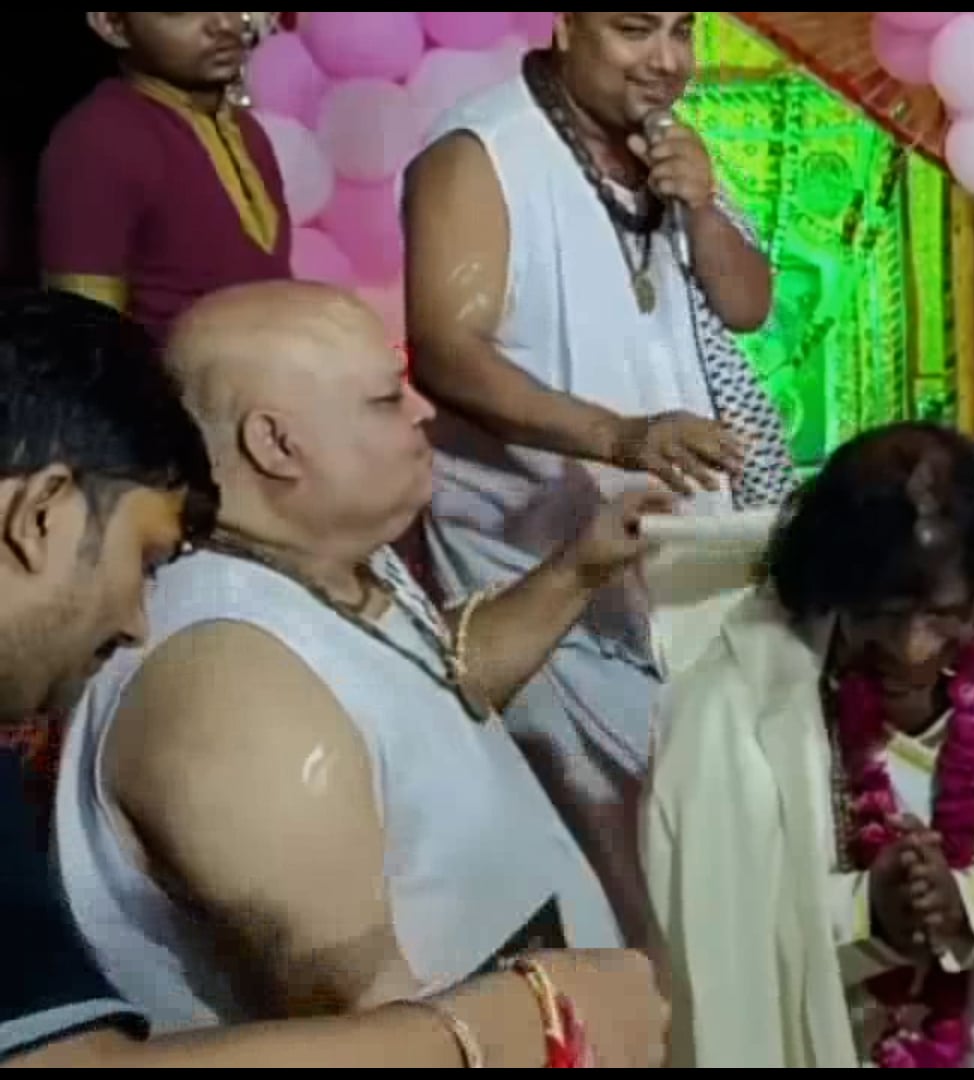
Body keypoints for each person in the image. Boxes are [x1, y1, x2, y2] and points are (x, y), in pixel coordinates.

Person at [0, 287, 666, 1066]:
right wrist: (517, 1023)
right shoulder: (227, 686)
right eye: (387, 398)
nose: (139, 619)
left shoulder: (322, 573)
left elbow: (424, 698)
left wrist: (579, 570)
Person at [402, 10, 793, 931]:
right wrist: (618, 437)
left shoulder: (663, 149)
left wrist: (703, 206)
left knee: (705, 873)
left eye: (682, 32)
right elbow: (446, 353)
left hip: (674, 559)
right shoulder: (481, 153)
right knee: (605, 884)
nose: (666, 60)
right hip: (534, 568)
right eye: (634, 29)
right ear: (568, 24)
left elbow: (747, 304)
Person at [645, 422, 974, 1067]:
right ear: (835, 591)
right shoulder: (744, 703)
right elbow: (722, 926)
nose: (912, 648)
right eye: (883, 614)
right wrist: (869, 908)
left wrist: (968, 904)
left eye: (943, 613)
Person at [41, 13, 290, 342]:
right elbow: (82, 339)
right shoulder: (97, 138)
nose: (223, 24)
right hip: (167, 374)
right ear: (112, 25)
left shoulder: (249, 133)